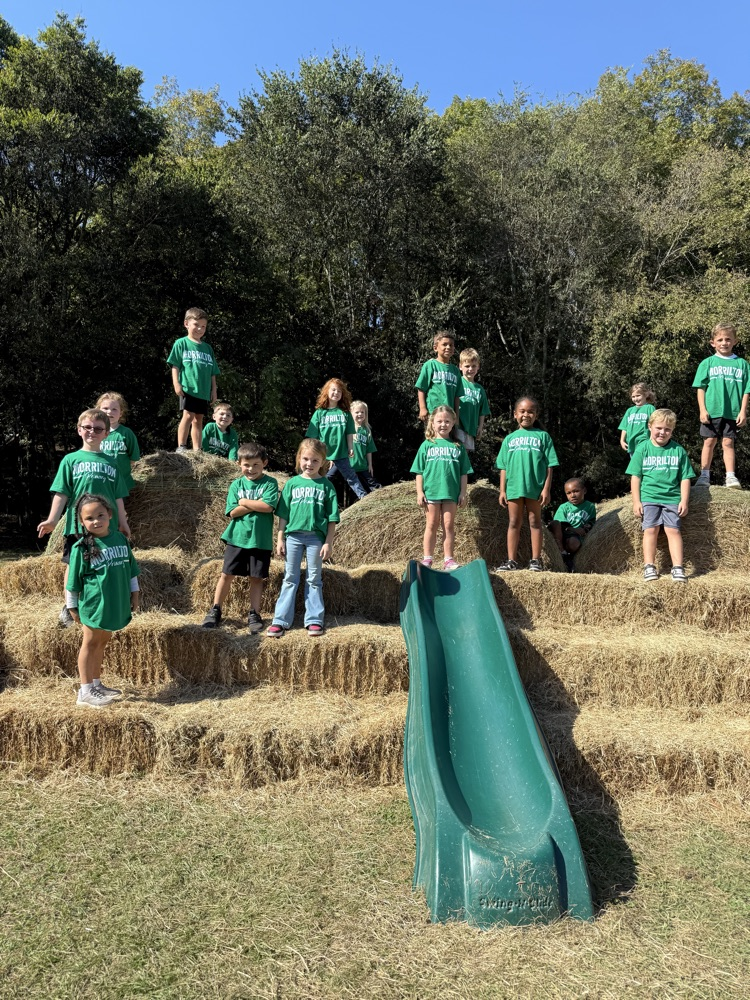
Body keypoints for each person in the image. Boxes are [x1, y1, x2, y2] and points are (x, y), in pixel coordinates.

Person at [37, 409, 130, 628]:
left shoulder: (112, 462)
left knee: (103, 563)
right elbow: (61, 493)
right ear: (79, 430)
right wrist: (52, 520)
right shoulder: (70, 460)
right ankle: (69, 607)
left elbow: (117, 496)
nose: (92, 432)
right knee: (74, 564)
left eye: (98, 429)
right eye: (87, 427)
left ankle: (100, 604)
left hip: (106, 526)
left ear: (106, 433)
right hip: (78, 526)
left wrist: (123, 522)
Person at [65, 493, 140, 707]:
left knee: (102, 642)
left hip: (115, 601)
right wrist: (72, 606)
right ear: (81, 522)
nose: (96, 521)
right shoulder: (81, 548)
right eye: (89, 518)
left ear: (110, 514)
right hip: (94, 604)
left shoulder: (120, 539)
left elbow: (131, 569)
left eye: (100, 515)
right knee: (89, 643)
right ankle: (85, 691)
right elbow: (73, 581)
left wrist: (135, 594)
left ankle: (96, 684)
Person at [201, 442, 278, 633]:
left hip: (260, 540)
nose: (251, 469)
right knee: (226, 574)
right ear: (239, 464)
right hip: (237, 538)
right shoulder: (236, 484)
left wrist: (243, 502)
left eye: (256, 465)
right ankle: (215, 609)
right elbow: (232, 512)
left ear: (264, 463)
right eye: (246, 465)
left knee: (256, 578)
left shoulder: (270, 483)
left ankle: (254, 613)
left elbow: (268, 507)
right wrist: (254, 503)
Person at [266, 439, 339, 637]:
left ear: (323, 462)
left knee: (314, 578)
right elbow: (283, 515)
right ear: (299, 458)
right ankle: (280, 620)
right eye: (306, 459)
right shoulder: (292, 484)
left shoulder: (327, 486)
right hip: (293, 537)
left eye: (315, 460)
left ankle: (314, 620)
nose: (309, 464)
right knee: (290, 577)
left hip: (316, 538)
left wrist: (328, 542)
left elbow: (332, 519)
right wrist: (280, 538)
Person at [627, 408, 695, 582]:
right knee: (650, 530)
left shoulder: (678, 450)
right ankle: (649, 566)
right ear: (650, 426)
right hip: (649, 497)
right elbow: (636, 477)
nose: (662, 432)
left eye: (667, 429)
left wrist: (684, 501)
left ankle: (678, 568)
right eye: (659, 428)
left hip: (672, 498)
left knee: (673, 530)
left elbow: (685, 478)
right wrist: (636, 501)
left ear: (672, 431)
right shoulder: (642, 449)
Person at [495, 396, 559, 572]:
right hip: (514, 488)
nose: (526, 415)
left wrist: (546, 489)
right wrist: (502, 490)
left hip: (535, 488)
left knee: (535, 522)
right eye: (522, 411)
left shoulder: (543, 436)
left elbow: (550, 465)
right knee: (513, 522)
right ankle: (511, 561)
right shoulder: (509, 439)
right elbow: (503, 467)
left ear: (536, 415)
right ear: (515, 414)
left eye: (530, 411)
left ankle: (536, 560)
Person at [410, 405, 472, 570]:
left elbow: (464, 473)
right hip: (432, 492)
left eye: (447, 421)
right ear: (432, 423)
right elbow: (419, 472)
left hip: (451, 493)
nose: (443, 424)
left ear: (453, 424)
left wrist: (463, 493)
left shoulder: (458, 447)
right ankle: (427, 559)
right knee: (431, 524)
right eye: (439, 421)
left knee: (448, 525)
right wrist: (419, 492)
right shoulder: (426, 445)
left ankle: (448, 560)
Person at [692, 323, 750, 489]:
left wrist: (743, 411)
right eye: (720, 340)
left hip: (732, 412)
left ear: (735, 341)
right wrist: (702, 410)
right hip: (712, 411)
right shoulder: (707, 363)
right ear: (713, 343)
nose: (724, 343)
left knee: (728, 443)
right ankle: (704, 475)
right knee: (709, 441)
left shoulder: (742, 364)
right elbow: (700, 388)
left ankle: (730, 476)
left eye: (728, 339)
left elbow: (747, 390)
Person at [168, 306, 220, 453]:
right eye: (196, 325)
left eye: (203, 326)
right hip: (188, 387)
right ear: (186, 324)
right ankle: (182, 446)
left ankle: (197, 449)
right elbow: (175, 365)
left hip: (203, 390)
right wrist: (176, 383)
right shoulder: (181, 343)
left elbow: (213, 372)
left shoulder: (208, 348)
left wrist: (214, 390)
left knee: (199, 419)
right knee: (188, 415)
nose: (200, 329)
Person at [305, 378, 366, 501]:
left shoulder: (345, 413)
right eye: (333, 390)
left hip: (341, 453)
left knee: (351, 477)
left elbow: (349, 432)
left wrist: (351, 447)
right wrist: (313, 453)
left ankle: (364, 498)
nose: (336, 393)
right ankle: (315, 499)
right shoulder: (319, 413)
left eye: (339, 391)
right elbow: (312, 437)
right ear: (326, 392)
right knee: (322, 478)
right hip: (323, 455)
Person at [96, 392, 141, 497]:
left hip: (122, 485)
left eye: (114, 409)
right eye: (105, 408)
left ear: (121, 413)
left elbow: (133, 458)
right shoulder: (94, 433)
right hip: (99, 484)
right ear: (98, 411)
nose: (109, 412)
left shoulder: (126, 433)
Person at [415, 331, 462, 422]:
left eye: (451, 345)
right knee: (432, 431)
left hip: (449, 415)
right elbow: (421, 388)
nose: (448, 347)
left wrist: (456, 415)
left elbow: (457, 395)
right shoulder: (430, 365)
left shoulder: (455, 370)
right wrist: (423, 408)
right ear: (435, 348)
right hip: (433, 413)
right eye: (444, 344)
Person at [552, 478, 597, 570]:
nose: (572, 495)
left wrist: (586, 527)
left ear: (584, 491)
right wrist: (573, 529)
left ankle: (570, 557)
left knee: (573, 543)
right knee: (555, 523)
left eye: (576, 491)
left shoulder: (590, 506)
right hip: (562, 534)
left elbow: (591, 522)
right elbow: (560, 524)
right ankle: (562, 552)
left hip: (576, 536)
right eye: (568, 493)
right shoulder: (563, 507)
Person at [456, 348, 490, 452]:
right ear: (460, 366)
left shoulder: (480, 389)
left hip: (471, 428)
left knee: (465, 455)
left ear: (478, 367)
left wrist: (480, 427)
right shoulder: (457, 382)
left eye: (474, 366)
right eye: (467, 366)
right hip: (458, 426)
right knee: (456, 452)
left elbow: (482, 411)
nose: (470, 369)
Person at [350, 400, 381, 493]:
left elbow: (369, 450)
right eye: (357, 412)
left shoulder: (366, 431)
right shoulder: (348, 429)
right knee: (355, 486)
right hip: (350, 465)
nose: (360, 414)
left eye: (362, 412)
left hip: (362, 465)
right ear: (351, 413)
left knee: (373, 484)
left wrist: (370, 464)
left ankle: (382, 496)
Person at [618, 383, 656, 456]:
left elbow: (654, 425)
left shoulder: (650, 408)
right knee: (635, 462)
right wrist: (622, 440)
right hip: (631, 444)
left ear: (646, 394)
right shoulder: (629, 411)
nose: (636, 398)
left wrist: (652, 439)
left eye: (638, 395)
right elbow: (624, 427)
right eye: (633, 396)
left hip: (645, 442)